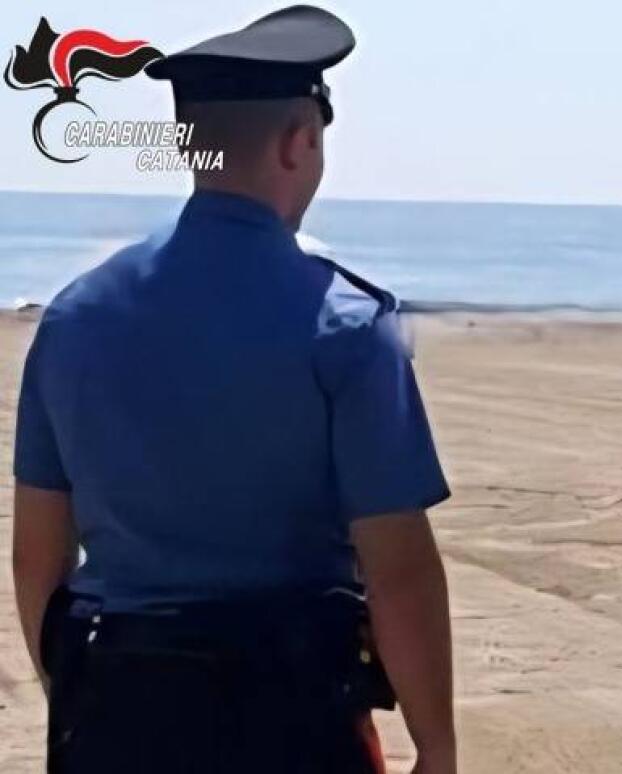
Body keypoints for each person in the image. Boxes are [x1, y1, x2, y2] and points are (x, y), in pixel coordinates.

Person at [11, 7, 456, 773]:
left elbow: (36, 556)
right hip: (290, 712)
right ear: (300, 141)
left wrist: (79, 698)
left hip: (119, 701)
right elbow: (399, 569)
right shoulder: (345, 324)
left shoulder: (75, 317)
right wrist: (437, 747)